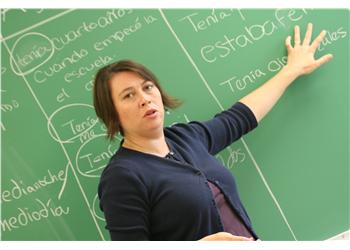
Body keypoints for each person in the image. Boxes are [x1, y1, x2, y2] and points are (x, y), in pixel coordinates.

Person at [93, 23, 332, 241]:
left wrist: (291, 71)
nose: (145, 99)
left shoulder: (186, 138)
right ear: (112, 114)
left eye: (147, 87)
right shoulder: (122, 177)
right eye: (128, 95)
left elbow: (239, 117)